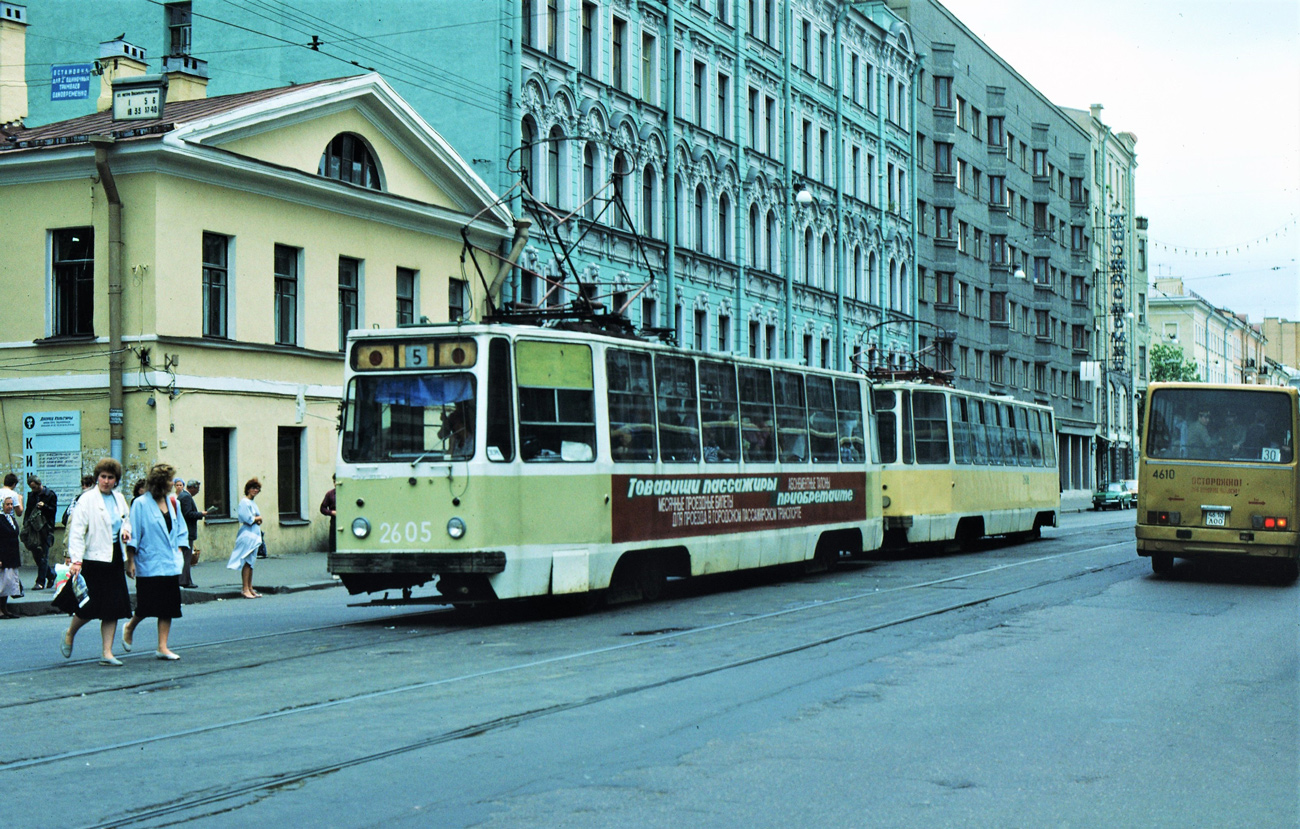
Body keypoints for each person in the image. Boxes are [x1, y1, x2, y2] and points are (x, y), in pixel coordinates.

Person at [61, 458, 133, 666]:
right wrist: (76, 560)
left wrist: (126, 531)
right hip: (93, 559)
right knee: (88, 607)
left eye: (111, 478)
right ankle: (70, 632)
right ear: (97, 478)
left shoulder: (119, 499)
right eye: (103, 477)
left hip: (114, 558)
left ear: (116, 480)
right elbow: (76, 531)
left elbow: (125, 520)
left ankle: (107, 652)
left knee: (113, 608)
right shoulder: (87, 499)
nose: (106, 481)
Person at [123, 464, 189, 661]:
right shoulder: (141, 504)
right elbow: (134, 532)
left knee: (169, 606)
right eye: (170, 480)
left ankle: (163, 647)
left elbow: (180, 528)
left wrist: (181, 547)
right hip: (149, 560)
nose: (173, 484)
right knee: (147, 604)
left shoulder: (172, 502)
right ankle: (130, 626)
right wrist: (131, 560)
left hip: (169, 561)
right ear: (160, 482)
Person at [226, 478, 263, 599]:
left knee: (251, 562)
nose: (255, 490)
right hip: (247, 534)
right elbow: (247, 518)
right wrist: (257, 518)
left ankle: (250, 587)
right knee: (247, 561)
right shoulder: (244, 502)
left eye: (257, 489)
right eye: (253, 488)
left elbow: (257, 518)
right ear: (248, 489)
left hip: (254, 534)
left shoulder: (252, 502)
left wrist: (257, 519)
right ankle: (245, 588)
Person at [24, 474, 57, 589]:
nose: (33, 490)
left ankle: (40, 581)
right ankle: (51, 575)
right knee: (37, 555)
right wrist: (25, 525)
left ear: (39, 484)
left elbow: (53, 511)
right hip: (34, 530)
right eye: (31, 488)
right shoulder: (32, 496)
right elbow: (28, 510)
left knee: (43, 555)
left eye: (35, 487)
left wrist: (44, 506)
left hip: (46, 529)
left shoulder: (50, 495)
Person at [175, 477, 202, 588]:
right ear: (192, 488)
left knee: (186, 557)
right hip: (187, 531)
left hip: (185, 531)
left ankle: (186, 580)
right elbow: (187, 514)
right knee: (186, 558)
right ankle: (184, 581)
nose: (198, 491)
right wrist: (201, 514)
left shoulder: (183, 496)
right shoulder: (186, 497)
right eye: (197, 489)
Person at [0, 496, 22, 619]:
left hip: (12, 555)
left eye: (11, 504)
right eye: (7, 504)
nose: (9, 506)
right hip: (3, 555)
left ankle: (4, 608)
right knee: (1, 584)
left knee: (8, 584)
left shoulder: (11, 518)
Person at [320, 478, 337, 554]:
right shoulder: (330, 494)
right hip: (335, 520)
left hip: (347, 520)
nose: (336, 483)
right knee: (333, 540)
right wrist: (331, 512)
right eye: (334, 481)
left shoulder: (349, 492)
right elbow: (322, 508)